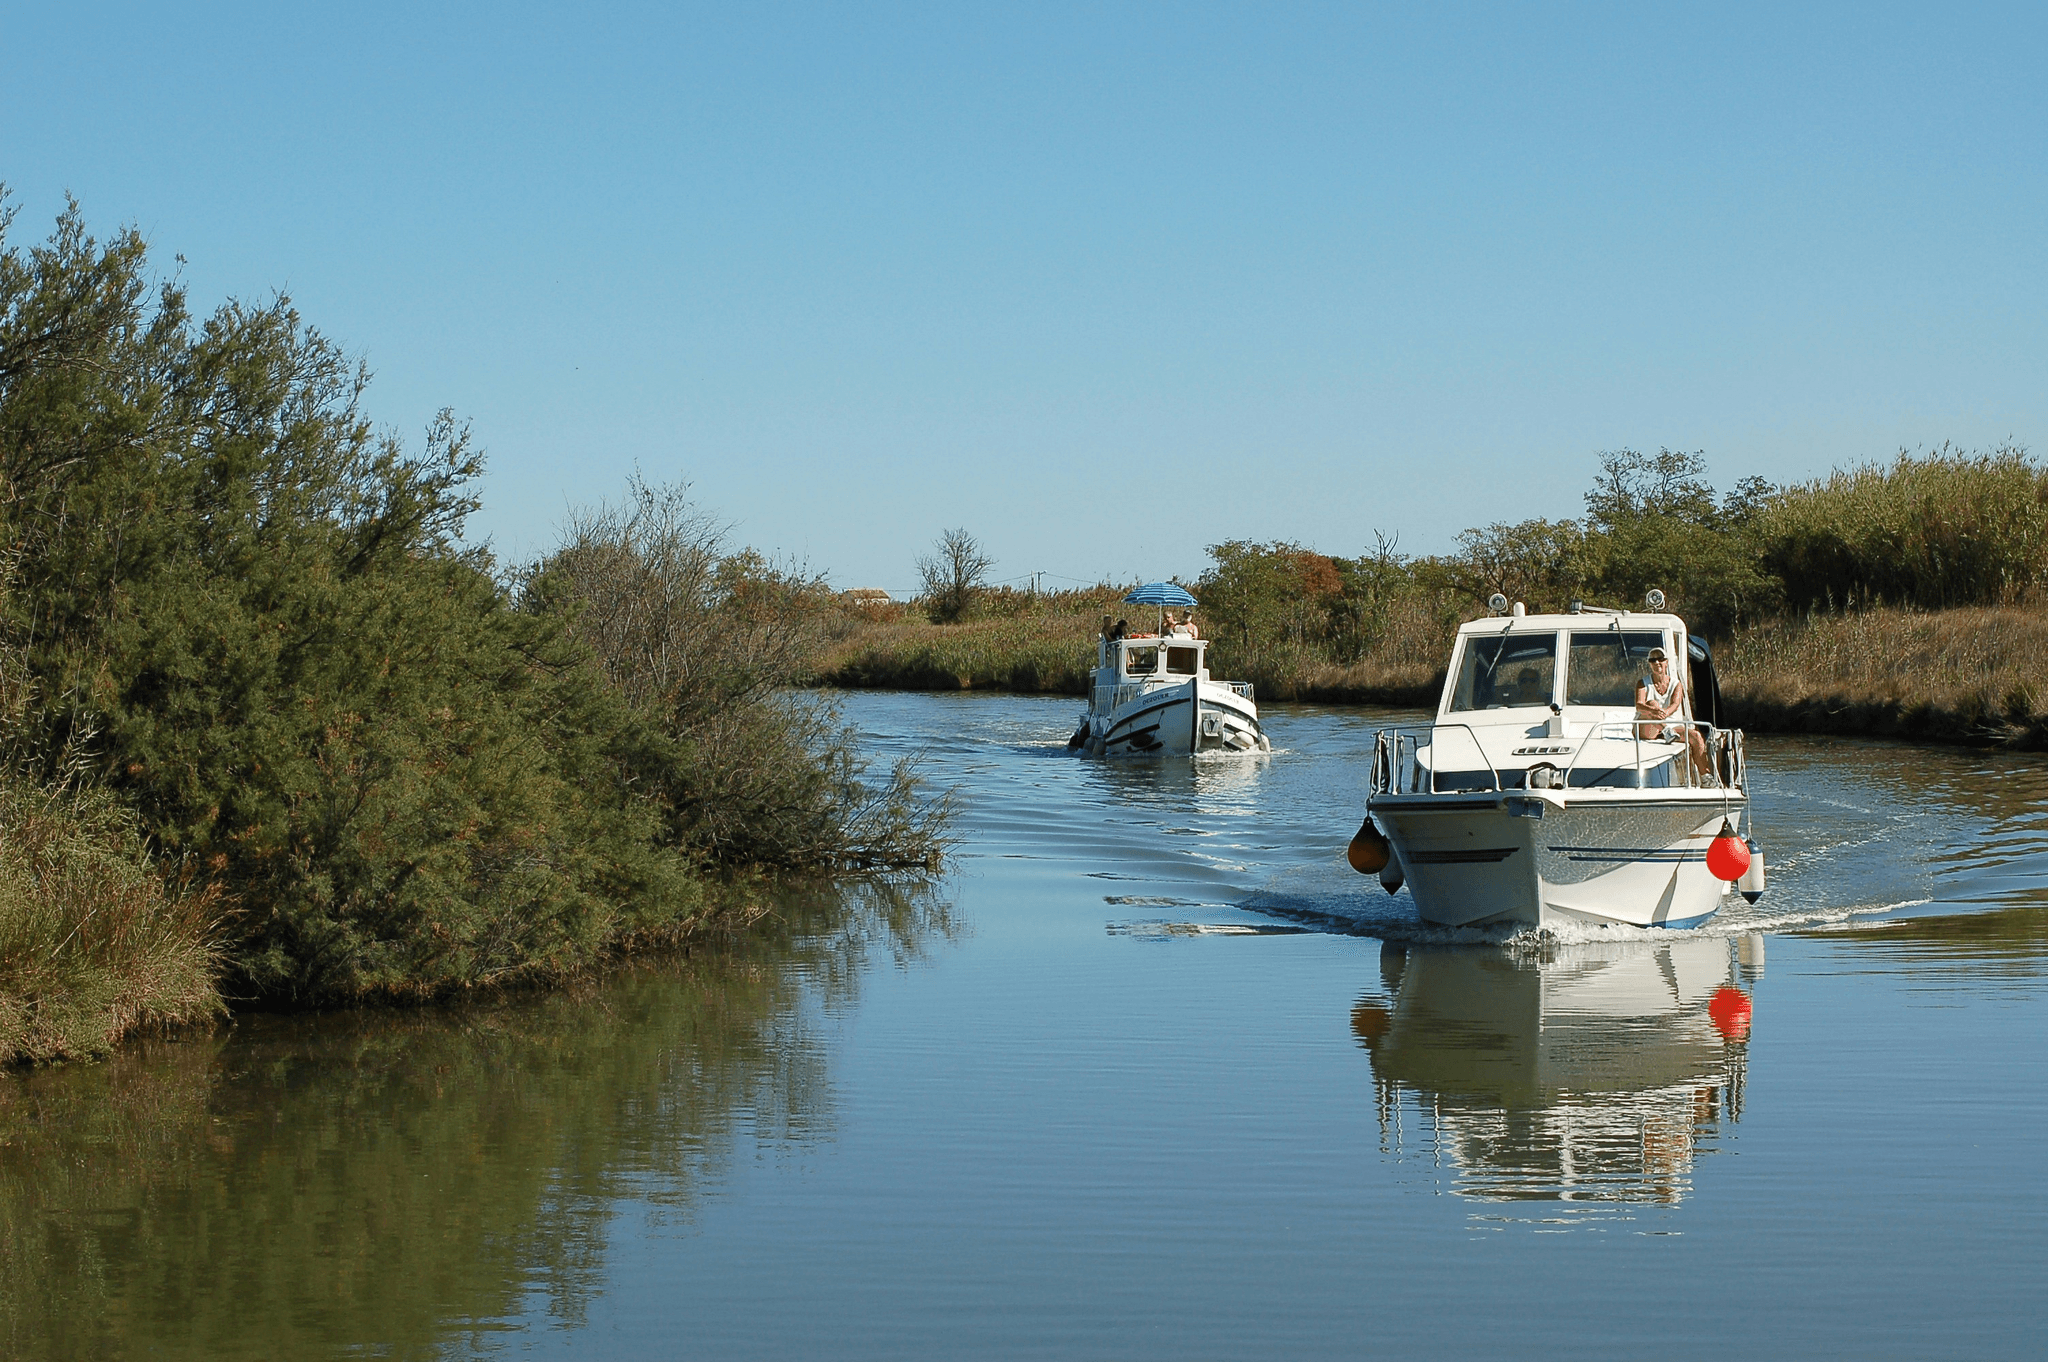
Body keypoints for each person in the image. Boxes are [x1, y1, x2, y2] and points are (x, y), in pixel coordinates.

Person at [1636, 647, 1710, 777]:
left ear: (1666, 662)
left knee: (1696, 737)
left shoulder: (1676, 684)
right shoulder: (1643, 683)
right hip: (1648, 727)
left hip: (1671, 725)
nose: (1657, 662)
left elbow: (1675, 704)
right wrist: (1653, 710)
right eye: (1653, 660)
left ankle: (1705, 776)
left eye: (1660, 659)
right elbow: (1639, 705)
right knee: (1652, 704)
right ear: (1649, 663)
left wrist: (1664, 713)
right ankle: (1666, 732)